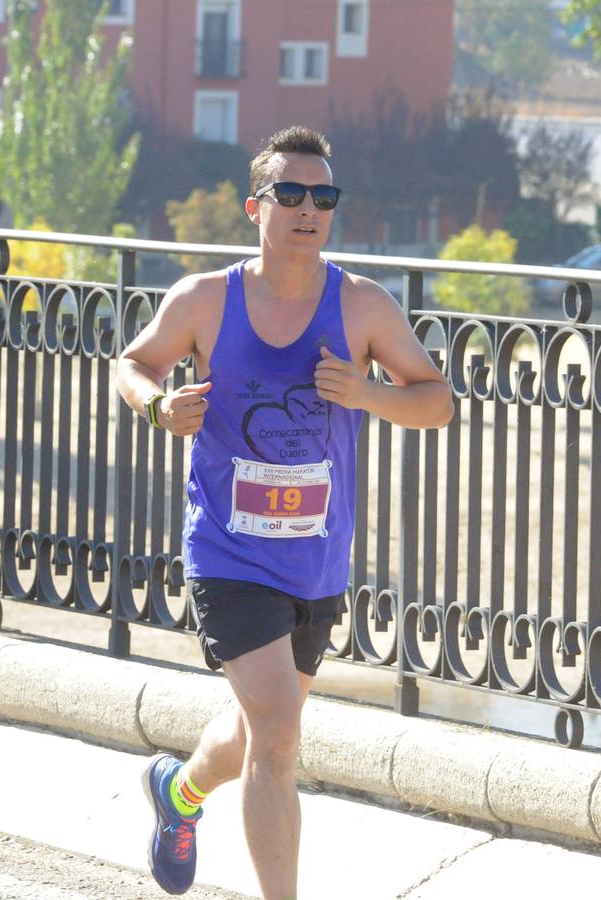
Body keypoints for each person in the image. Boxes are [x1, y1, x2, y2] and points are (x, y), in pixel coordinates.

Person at [117, 126, 453, 898]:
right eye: (292, 194)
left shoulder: (362, 306)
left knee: (254, 729)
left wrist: (367, 392)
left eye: (324, 197)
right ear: (255, 208)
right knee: (277, 732)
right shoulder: (205, 300)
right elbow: (133, 363)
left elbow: (436, 403)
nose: (310, 209)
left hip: (316, 557)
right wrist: (159, 406)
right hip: (228, 552)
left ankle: (178, 794)